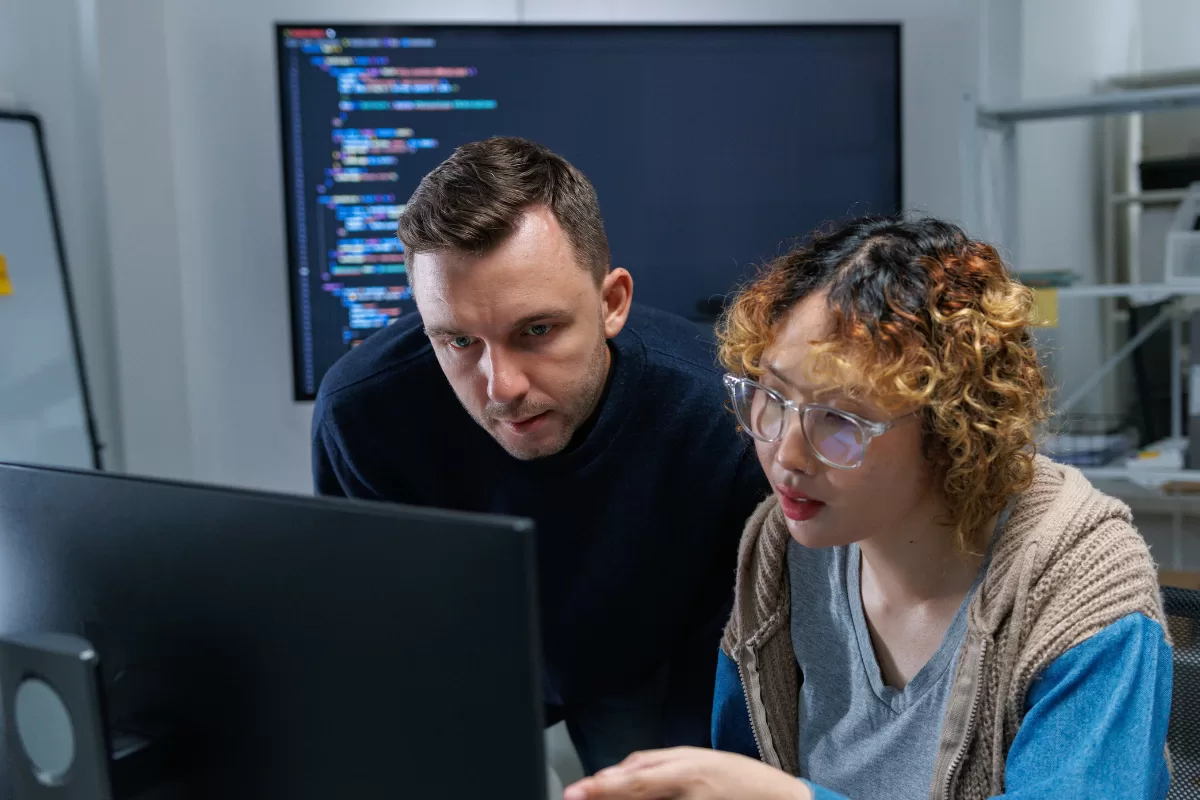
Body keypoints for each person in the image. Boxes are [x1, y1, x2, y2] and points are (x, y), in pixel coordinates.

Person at [565, 216, 1172, 800]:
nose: (786, 454)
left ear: (951, 429)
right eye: (771, 397)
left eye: (841, 418)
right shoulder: (782, 550)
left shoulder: (1078, 580)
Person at [311, 137, 768, 774]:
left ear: (612, 303)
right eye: (458, 341)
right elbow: (384, 629)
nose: (502, 388)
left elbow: (724, 639)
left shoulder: (715, 412)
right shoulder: (361, 412)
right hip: (465, 666)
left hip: (645, 659)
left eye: (537, 330)